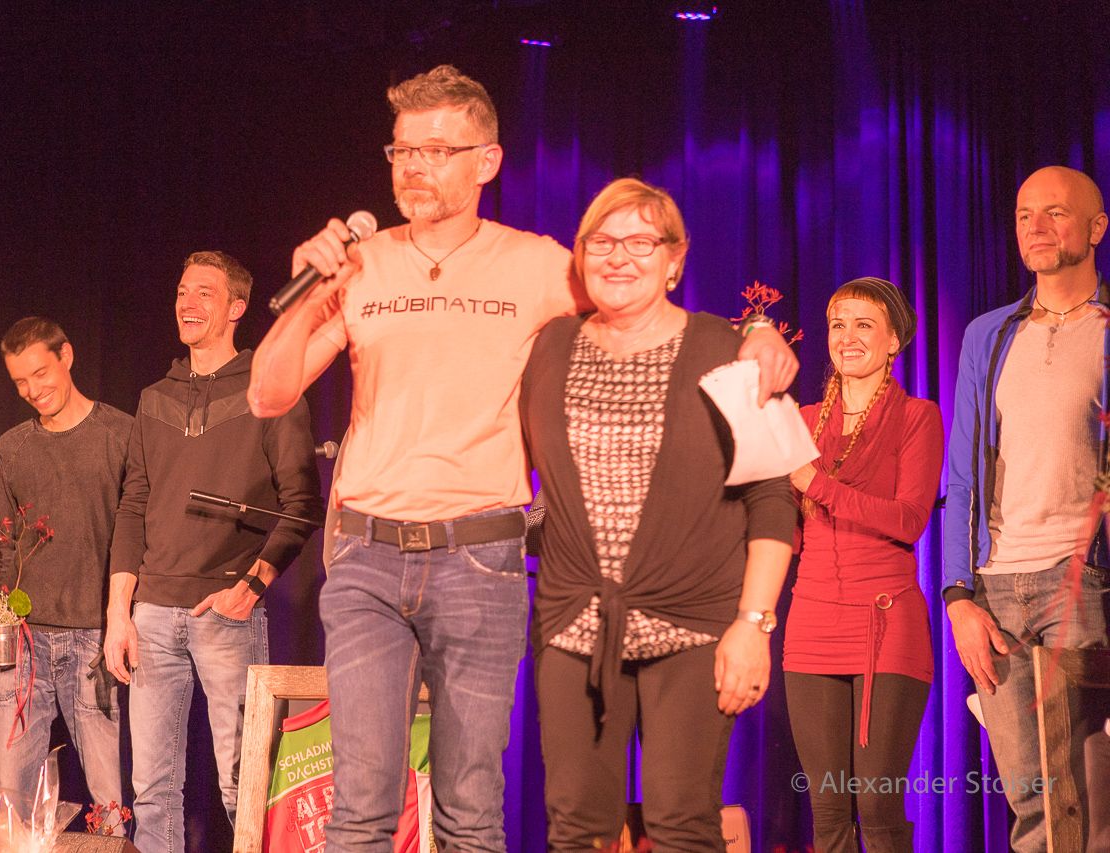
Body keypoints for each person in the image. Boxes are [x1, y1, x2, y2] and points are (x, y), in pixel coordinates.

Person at [248, 66, 798, 851]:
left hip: (481, 558)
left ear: (488, 161)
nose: (415, 166)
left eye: (438, 150)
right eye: (403, 150)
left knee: (471, 804)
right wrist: (311, 291)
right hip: (367, 553)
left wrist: (754, 332)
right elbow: (269, 394)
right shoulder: (364, 263)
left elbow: (638, 296)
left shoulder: (540, 264)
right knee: (361, 804)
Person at [518, 177, 796, 850]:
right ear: (580, 256)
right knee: (576, 828)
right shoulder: (550, 345)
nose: (619, 256)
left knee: (681, 823)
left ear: (675, 259)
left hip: (694, 624)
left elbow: (771, 500)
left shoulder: (725, 350)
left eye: (641, 242)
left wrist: (753, 625)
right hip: (574, 624)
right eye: (602, 241)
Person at [103, 251, 321, 853]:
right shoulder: (154, 397)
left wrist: (250, 587)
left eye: (204, 292)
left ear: (236, 308)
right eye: (181, 291)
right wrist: (120, 612)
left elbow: (302, 503)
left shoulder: (269, 391)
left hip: (226, 612)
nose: (187, 302)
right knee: (151, 790)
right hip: (152, 612)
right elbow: (133, 504)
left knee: (242, 783)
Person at [945, 165, 1110, 853]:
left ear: (1096, 228)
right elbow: (961, 473)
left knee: (1089, 804)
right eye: (1023, 215)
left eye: (1055, 213)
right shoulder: (988, 334)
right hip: (998, 590)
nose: (1035, 227)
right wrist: (959, 595)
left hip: (1083, 583)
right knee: (1032, 804)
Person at [783, 278, 943, 852]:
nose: (847, 337)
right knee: (827, 808)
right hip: (812, 621)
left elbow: (909, 519)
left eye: (864, 325)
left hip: (885, 621)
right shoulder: (801, 420)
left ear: (894, 340)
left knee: (876, 804)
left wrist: (816, 484)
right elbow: (789, 533)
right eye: (838, 325)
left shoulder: (917, 416)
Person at [0, 317, 131, 812]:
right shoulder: (11, 448)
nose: (32, 390)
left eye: (40, 373)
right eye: (20, 381)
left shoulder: (122, 435)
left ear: (67, 356)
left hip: (96, 641)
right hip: (21, 641)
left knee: (111, 799)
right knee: (6, 796)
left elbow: (139, 536)